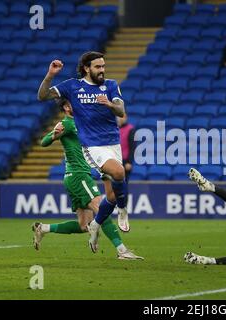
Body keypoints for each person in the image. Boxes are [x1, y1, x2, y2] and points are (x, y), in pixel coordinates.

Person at [37, 52, 130, 252]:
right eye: (98, 67)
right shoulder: (72, 86)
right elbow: (42, 96)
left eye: (103, 66)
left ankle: (95, 224)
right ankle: (123, 214)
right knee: (119, 173)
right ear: (87, 68)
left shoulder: (111, 85)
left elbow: (121, 111)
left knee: (110, 198)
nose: (102, 70)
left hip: (112, 143)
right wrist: (50, 75)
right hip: (93, 146)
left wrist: (110, 104)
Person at [32, 98, 143, 260]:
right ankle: (122, 250)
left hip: (78, 176)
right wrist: (54, 135)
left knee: (84, 225)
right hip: (78, 175)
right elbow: (44, 142)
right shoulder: (67, 124)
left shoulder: (82, 122)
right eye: (68, 104)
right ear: (65, 108)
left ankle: (43, 228)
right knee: (101, 211)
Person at [117, 113, 136, 181]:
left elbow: (132, 147)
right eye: (119, 116)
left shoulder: (130, 129)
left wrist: (129, 162)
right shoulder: (115, 128)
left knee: (124, 183)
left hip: (125, 160)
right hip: (116, 159)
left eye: (122, 117)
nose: (120, 118)